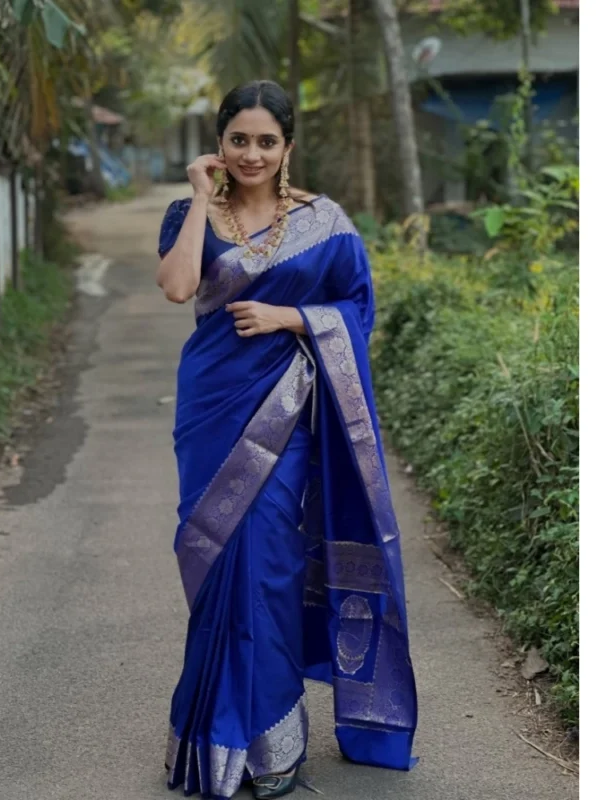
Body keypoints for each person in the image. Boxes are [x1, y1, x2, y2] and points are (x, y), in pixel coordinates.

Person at [156, 80, 417, 800]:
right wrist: (198, 197)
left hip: (286, 410)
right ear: (219, 143)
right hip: (210, 408)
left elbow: (357, 307)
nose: (252, 154)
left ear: (287, 147)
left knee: (270, 564)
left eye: (266, 141)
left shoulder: (323, 221)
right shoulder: (190, 213)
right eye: (238, 139)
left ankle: (271, 741)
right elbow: (177, 288)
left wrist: (289, 318)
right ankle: (212, 735)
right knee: (214, 561)